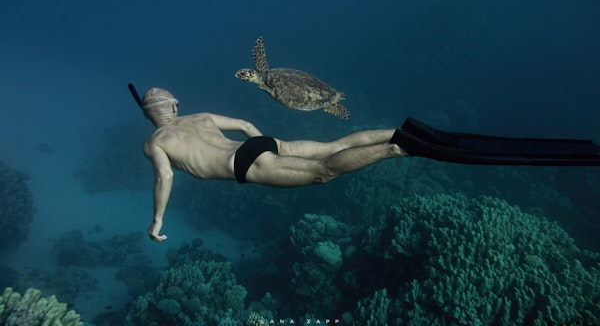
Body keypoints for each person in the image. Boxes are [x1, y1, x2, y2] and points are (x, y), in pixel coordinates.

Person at [140, 87, 408, 242]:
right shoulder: (199, 117)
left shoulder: (155, 142)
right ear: (174, 106)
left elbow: (165, 176)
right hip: (257, 144)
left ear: (146, 115)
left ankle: (394, 149)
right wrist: (263, 148)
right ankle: (397, 133)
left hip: (245, 164)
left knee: (323, 172)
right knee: (334, 147)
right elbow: (245, 125)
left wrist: (157, 220)